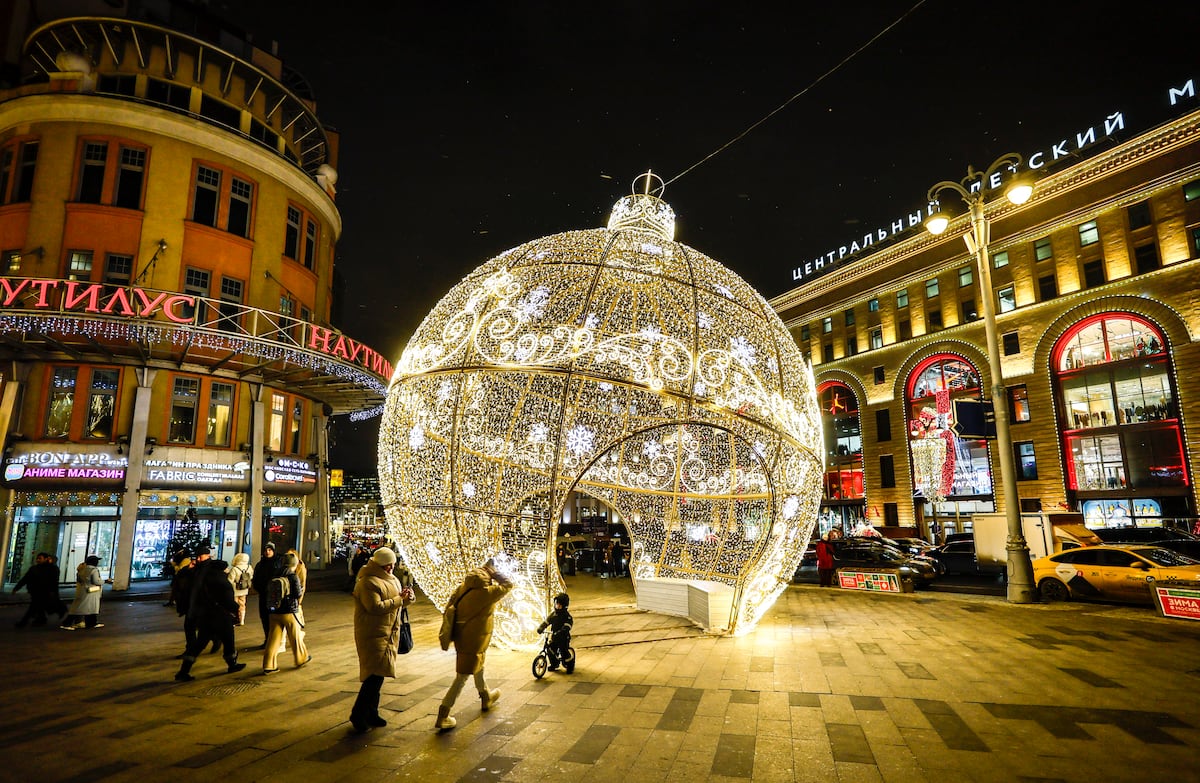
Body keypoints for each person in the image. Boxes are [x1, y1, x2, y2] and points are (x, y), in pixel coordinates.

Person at [434, 558, 513, 731]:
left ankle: (486, 697)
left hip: (463, 636)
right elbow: (508, 584)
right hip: (475, 639)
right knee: (462, 677)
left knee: (478, 666)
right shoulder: (486, 592)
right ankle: (443, 714)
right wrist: (494, 572)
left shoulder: (463, 587)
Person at [349, 546, 415, 732]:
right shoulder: (367, 582)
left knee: (379, 675)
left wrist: (409, 598)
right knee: (373, 676)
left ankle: (371, 712)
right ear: (380, 565)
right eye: (388, 565)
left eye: (392, 565)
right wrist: (399, 600)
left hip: (389, 632)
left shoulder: (392, 579)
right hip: (372, 633)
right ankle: (358, 715)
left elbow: (400, 603)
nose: (391, 569)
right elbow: (375, 607)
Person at [174, 556, 246, 681]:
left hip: (206, 616)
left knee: (199, 644)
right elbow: (227, 601)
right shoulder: (222, 581)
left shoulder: (204, 579)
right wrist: (236, 608)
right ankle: (232, 664)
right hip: (222, 616)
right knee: (229, 641)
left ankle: (183, 670)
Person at [262, 552, 310, 673]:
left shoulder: (275, 574)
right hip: (289, 612)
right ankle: (301, 658)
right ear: (293, 564)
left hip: (274, 611)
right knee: (295, 637)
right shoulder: (292, 576)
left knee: (273, 639)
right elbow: (297, 594)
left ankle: (269, 665)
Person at [13, 552, 59, 627]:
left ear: (46, 559)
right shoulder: (34, 569)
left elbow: (54, 581)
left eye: (40, 558)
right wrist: (17, 588)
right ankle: (41, 619)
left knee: (33, 607)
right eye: (37, 558)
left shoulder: (52, 569)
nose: (38, 560)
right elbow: (25, 579)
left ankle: (23, 623)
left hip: (44, 592)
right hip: (34, 591)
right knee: (38, 606)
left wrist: (53, 592)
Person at [60, 555, 104, 630]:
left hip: (82, 591)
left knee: (81, 608)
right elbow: (96, 581)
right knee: (87, 608)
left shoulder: (82, 569)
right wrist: (104, 581)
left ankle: (91, 623)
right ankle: (67, 623)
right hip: (91, 591)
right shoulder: (94, 570)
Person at [250, 542, 280, 650]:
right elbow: (256, 578)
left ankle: (274, 640)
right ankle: (268, 638)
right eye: (266, 550)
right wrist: (258, 587)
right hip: (263, 595)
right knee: (264, 618)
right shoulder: (260, 564)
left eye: (270, 550)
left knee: (273, 618)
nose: (267, 552)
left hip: (273, 596)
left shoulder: (277, 564)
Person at [536, 592, 574, 673]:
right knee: (550, 649)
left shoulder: (567, 616)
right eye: (556, 604)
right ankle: (554, 663)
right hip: (554, 636)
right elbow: (546, 622)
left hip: (563, 637)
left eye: (560, 605)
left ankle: (570, 664)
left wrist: (563, 630)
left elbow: (568, 626)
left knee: (564, 651)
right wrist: (541, 627)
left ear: (564, 606)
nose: (557, 606)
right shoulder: (553, 614)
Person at [227, 552, 253, 626]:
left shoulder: (235, 569)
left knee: (234, 605)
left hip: (235, 589)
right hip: (244, 589)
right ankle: (242, 620)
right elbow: (251, 577)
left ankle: (234, 620)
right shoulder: (249, 567)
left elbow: (230, 580)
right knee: (242, 604)